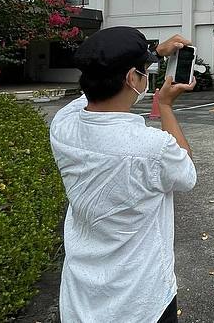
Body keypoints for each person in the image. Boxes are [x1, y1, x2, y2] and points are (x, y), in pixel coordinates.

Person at [49, 27, 197, 322]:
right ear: (132, 79)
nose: (146, 77)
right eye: (143, 72)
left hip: (79, 298)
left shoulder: (62, 127)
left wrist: (151, 56)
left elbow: (90, 96)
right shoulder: (152, 147)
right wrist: (165, 105)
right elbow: (187, 173)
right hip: (142, 301)